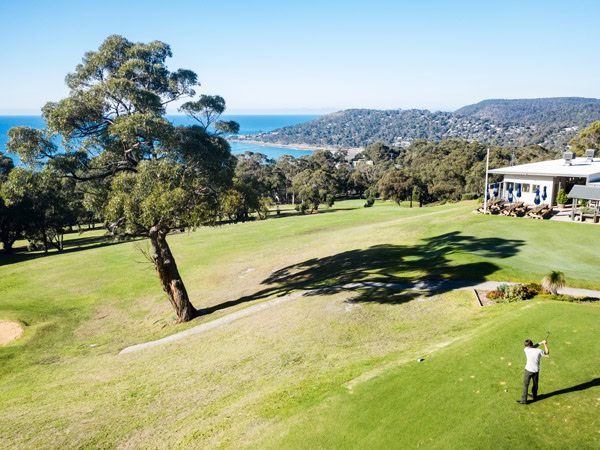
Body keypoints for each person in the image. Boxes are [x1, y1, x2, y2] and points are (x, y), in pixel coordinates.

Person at [517, 338, 549, 404]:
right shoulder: (539, 351)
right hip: (536, 370)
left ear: (527, 346)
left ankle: (524, 400)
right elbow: (547, 353)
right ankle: (534, 396)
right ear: (531, 344)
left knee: (525, 385)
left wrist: (541, 343)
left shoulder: (525, 349)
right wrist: (545, 344)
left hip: (528, 370)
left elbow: (532, 347)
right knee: (535, 384)